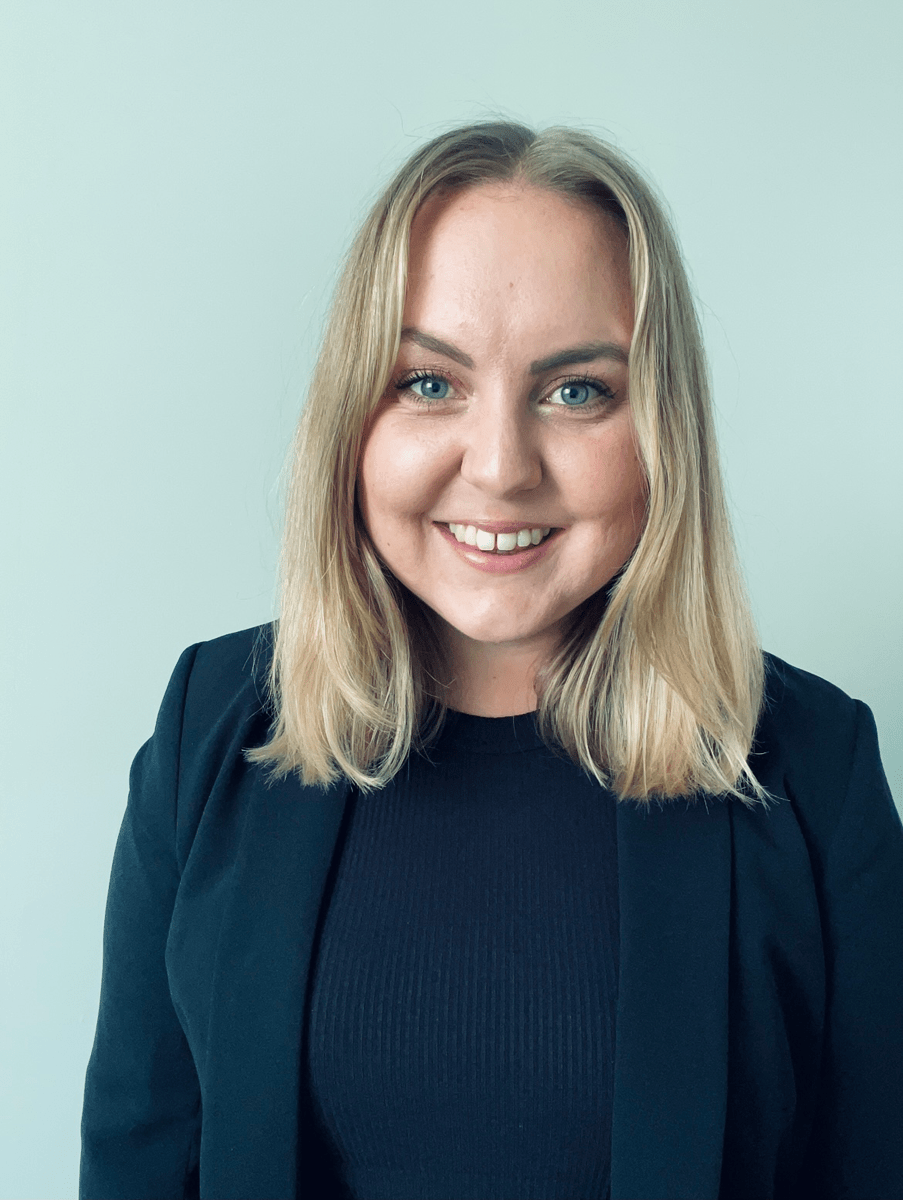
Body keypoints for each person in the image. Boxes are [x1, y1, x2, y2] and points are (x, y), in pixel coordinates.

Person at [79, 121, 903, 1200]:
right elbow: (137, 1163)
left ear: (662, 432)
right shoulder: (210, 730)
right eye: (430, 383)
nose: (502, 468)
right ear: (352, 418)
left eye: (577, 391)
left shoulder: (815, 767)